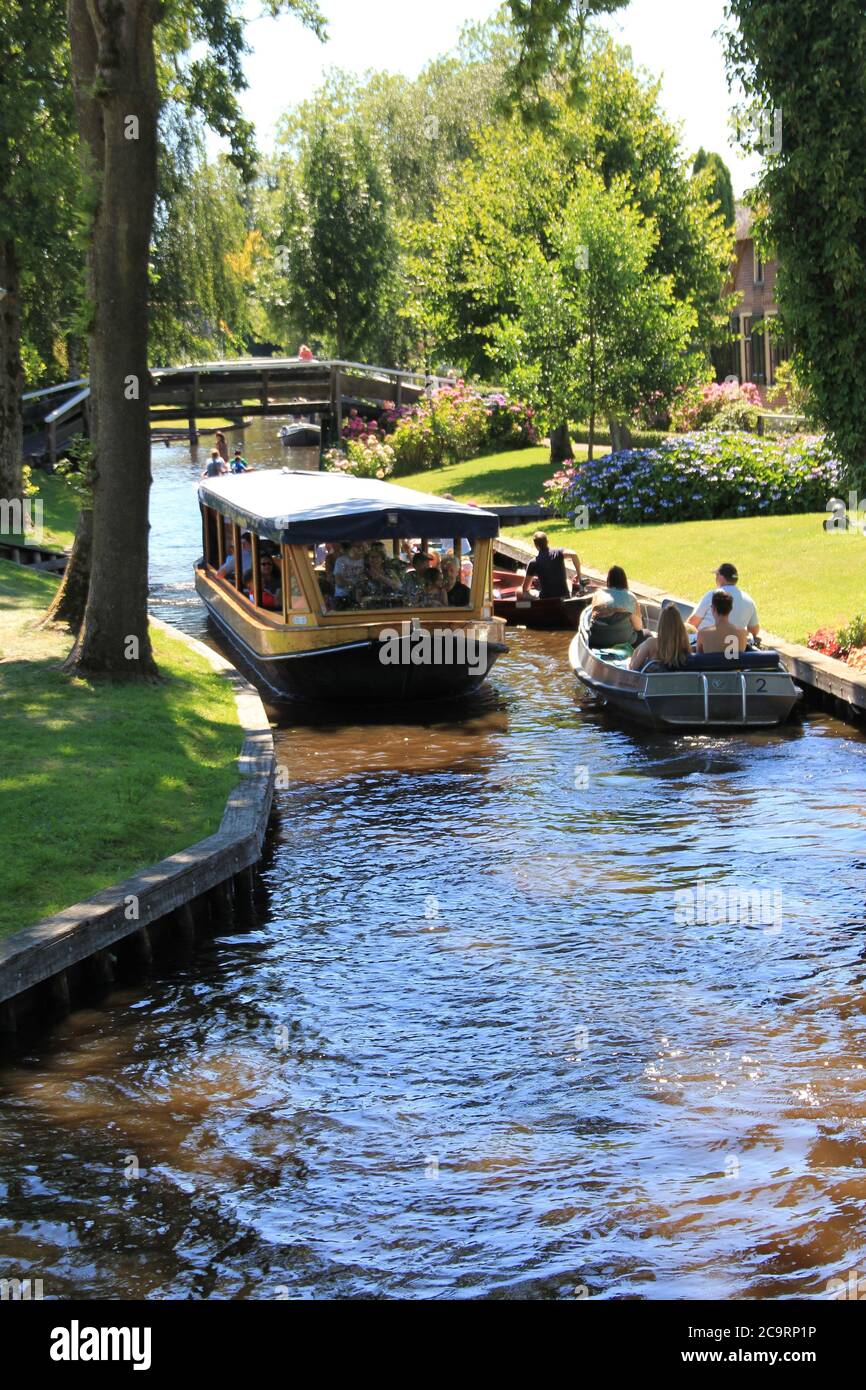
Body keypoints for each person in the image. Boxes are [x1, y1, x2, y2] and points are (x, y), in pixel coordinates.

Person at [687, 563, 759, 639]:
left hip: (706, 645)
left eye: (717, 575)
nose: (716, 578)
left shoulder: (713, 595)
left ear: (721, 577)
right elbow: (754, 630)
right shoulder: (749, 600)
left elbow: (692, 623)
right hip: (734, 646)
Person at [589, 566, 644, 645]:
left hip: (596, 641)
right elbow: (638, 627)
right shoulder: (631, 597)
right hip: (622, 641)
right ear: (624, 580)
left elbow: (592, 617)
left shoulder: (597, 594)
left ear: (608, 579)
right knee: (646, 634)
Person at [519, 531, 580, 599]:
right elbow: (574, 554)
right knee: (568, 580)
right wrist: (578, 574)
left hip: (546, 599)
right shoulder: (558, 553)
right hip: (563, 596)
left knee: (519, 591)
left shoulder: (533, 562)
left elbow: (525, 588)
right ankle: (569, 597)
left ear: (536, 546)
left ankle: (524, 607)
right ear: (547, 542)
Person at [630, 605, 691, 670]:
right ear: (680, 624)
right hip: (674, 678)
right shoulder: (684, 643)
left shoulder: (651, 643)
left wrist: (636, 652)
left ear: (661, 624)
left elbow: (633, 668)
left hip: (651, 679)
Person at [696, 589, 750, 657]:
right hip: (734, 667)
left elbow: (698, 659)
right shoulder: (742, 633)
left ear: (713, 609)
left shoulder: (703, 634)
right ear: (730, 609)